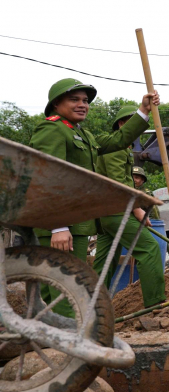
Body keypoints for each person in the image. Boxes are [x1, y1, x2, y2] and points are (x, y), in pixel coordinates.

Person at [29, 78, 159, 316]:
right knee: (63, 287)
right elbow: (47, 175)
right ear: (56, 104)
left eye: (85, 101)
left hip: (75, 223)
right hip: (59, 222)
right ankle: (68, 343)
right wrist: (57, 226)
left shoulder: (82, 134)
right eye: (74, 99)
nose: (83, 105)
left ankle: (59, 337)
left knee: (66, 286)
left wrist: (143, 111)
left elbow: (118, 140)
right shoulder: (51, 129)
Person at [94, 106, 166, 308]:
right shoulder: (116, 148)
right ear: (121, 125)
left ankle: (92, 303)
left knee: (105, 261)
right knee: (150, 249)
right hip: (117, 211)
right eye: (131, 123)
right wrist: (137, 209)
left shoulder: (119, 148)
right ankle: (155, 304)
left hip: (106, 213)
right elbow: (121, 184)